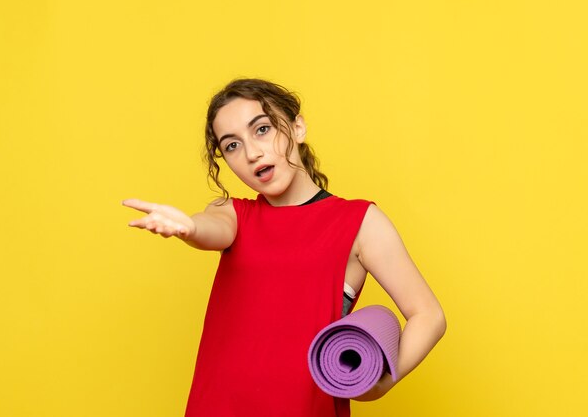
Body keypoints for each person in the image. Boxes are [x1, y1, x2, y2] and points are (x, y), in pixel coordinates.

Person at [122, 78, 446, 416]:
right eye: (232, 145)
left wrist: (380, 384)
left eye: (262, 129)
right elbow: (211, 229)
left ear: (298, 127)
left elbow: (429, 315)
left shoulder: (360, 222)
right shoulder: (231, 214)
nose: (251, 153)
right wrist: (189, 228)